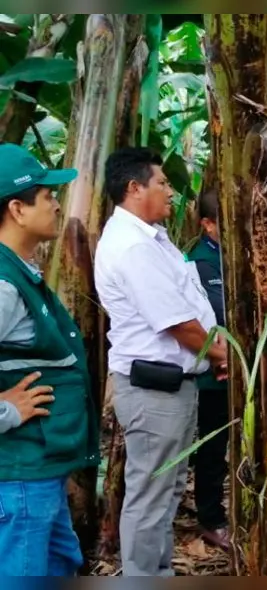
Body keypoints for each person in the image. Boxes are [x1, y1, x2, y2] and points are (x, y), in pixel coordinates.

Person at [94, 147, 226, 576]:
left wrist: (211, 357)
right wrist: (226, 355)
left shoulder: (153, 238)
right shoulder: (133, 247)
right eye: (163, 183)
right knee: (151, 495)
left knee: (165, 491)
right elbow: (179, 325)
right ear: (135, 188)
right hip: (156, 390)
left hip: (175, 385)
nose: (172, 192)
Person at [0, 144, 99, 576]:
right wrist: (6, 410)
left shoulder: (20, 272)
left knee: (59, 566)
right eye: (47, 196)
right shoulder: (3, 287)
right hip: (21, 473)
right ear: (18, 209)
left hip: (40, 471)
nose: (58, 203)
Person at [186, 189, 231, 551]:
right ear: (208, 225)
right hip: (214, 373)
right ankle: (211, 517)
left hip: (248, 369)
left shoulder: (240, 254)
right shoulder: (197, 264)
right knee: (213, 447)